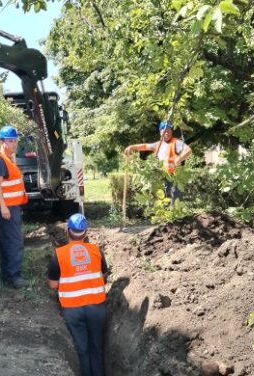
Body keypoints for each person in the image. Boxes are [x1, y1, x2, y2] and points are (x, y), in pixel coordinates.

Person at [47, 213, 108, 376]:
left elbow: (53, 284)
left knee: (82, 349)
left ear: (68, 231)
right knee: (97, 347)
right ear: (86, 232)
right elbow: (103, 275)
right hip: (96, 307)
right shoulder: (96, 250)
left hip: (72, 309)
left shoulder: (59, 254)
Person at [0, 125, 29, 289]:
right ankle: (14, 277)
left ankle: (7, 276)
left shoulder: (6, 160)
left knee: (6, 241)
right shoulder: (0, 161)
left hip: (9, 207)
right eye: (11, 140)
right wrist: (4, 207)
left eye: (15, 140)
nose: (14, 144)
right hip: (7, 209)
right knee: (14, 241)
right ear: (2, 142)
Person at [123, 120, 192, 201]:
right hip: (160, 177)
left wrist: (178, 159)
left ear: (171, 132)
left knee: (175, 202)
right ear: (160, 132)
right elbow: (145, 146)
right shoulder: (157, 145)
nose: (166, 133)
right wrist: (132, 147)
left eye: (168, 131)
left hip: (174, 178)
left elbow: (188, 150)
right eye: (164, 131)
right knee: (162, 203)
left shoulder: (176, 142)